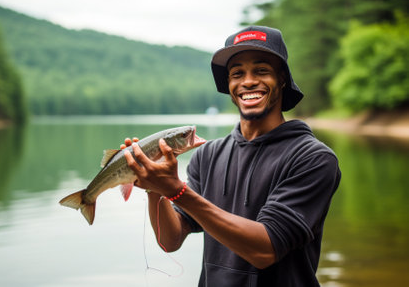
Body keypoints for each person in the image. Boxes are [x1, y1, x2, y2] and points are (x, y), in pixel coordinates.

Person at [122, 26, 341, 287]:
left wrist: (176, 191)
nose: (248, 81)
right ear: (228, 84)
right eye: (237, 73)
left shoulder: (313, 158)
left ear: (282, 79)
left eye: (261, 70)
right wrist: (155, 188)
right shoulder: (207, 155)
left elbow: (265, 250)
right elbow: (169, 241)